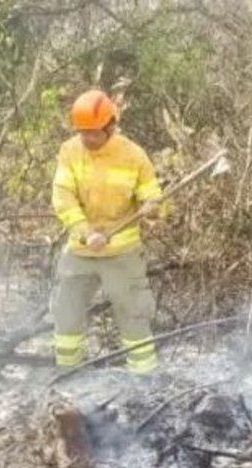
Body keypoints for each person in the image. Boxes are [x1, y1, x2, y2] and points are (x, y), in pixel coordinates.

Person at [50, 89, 164, 375]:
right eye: (82, 132)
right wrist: (86, 233)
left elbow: (151, 193)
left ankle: (144, 378)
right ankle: (67, 374)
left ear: (111, 126)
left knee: (133, 314)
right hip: (80, 250)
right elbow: (62, 197)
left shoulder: (133, 155)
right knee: (66, 313)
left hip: (122, 254)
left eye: (93, 133)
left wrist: (153, 206)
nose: (87, 138)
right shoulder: (70, 151)